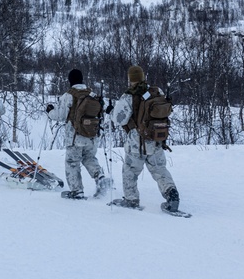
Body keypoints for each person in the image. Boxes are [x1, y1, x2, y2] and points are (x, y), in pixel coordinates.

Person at [111, 65, 180, 212]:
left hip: (137, 142)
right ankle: (172, 195)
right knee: (159, 170)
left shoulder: (128, 96)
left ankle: (131, 199)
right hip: (156, 138)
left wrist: (111, 112)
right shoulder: (157, 91)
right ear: (143, 77)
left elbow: (119, 120)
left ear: (130, 79)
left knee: (130, 170)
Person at [48, 68, 109, 199]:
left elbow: (60, 116)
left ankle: (77, 191)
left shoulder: (68, 96)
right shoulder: (92, 94)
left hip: (75, 137)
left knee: (72, 162)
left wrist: (50, 111)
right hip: (92, 135)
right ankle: (100, 177)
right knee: (89, 158)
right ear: (82, 79)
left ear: (70, 80)